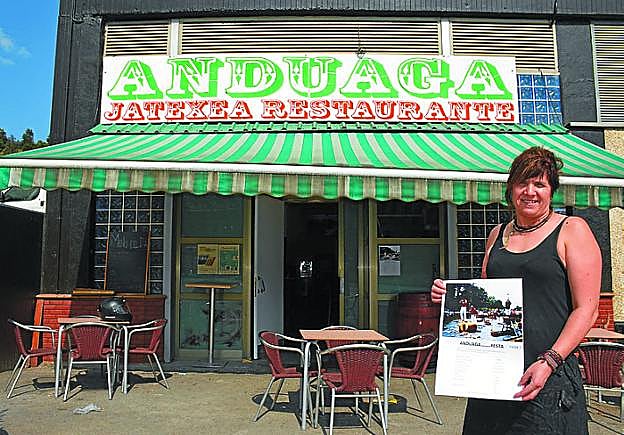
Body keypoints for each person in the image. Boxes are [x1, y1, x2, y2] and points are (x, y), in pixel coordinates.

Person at [431, 146, 601, 434]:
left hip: (547, 378)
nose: (530, 192)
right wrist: (453, 296)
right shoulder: (497, 234)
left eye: (540, 184)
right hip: (492, 375)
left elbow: (587, 309)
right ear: (511, 189)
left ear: (552, 191)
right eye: (523, 183)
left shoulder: (572, 229)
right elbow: (490, 299)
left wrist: (549, 361)